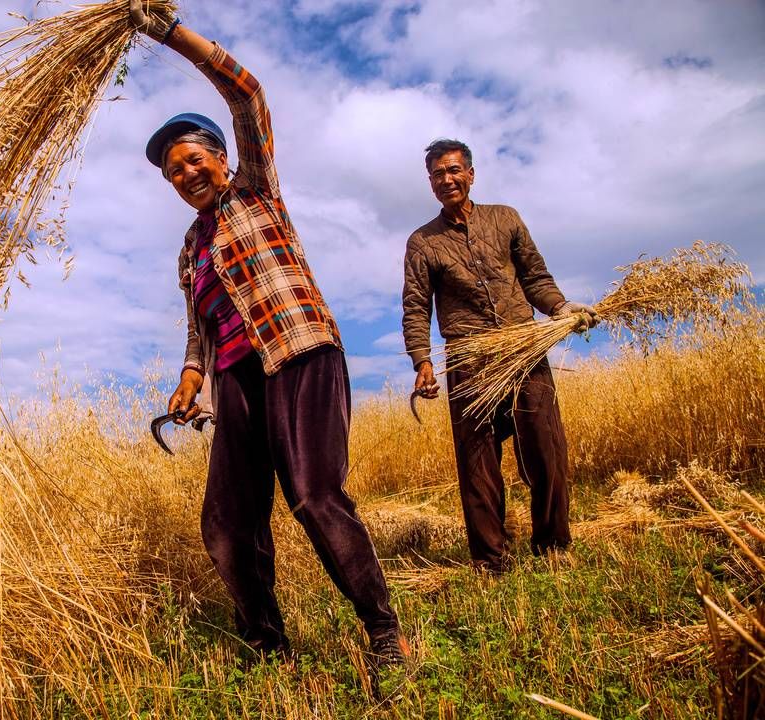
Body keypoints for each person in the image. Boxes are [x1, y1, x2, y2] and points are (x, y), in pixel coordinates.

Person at [129, 1, 408, 667]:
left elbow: (247, 92)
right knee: (227, 522)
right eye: (174, 172)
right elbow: (199, 333)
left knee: (313, 496)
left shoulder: (257, 194)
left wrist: (167, 31)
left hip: (298, 354)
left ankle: (383, 633)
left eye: (195, 160)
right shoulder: (190, 249)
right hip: (237, 383)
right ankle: (268, 645)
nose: (187, 175)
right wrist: (189, 382)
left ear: (222, 160)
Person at [402, 138, 598, 573]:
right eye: (438, 174)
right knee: (478, 462)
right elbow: (416, 307)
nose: (447, 179)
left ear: (471, 174)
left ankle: (553, 545)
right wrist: (423, 362)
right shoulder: (423, 242)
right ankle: (491, 559)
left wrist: (563, 309)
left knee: (546, 446)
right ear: (430, 183)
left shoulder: (505, 218)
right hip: (470, 358)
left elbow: (535, 276)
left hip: (523, 348)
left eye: (454, 170)